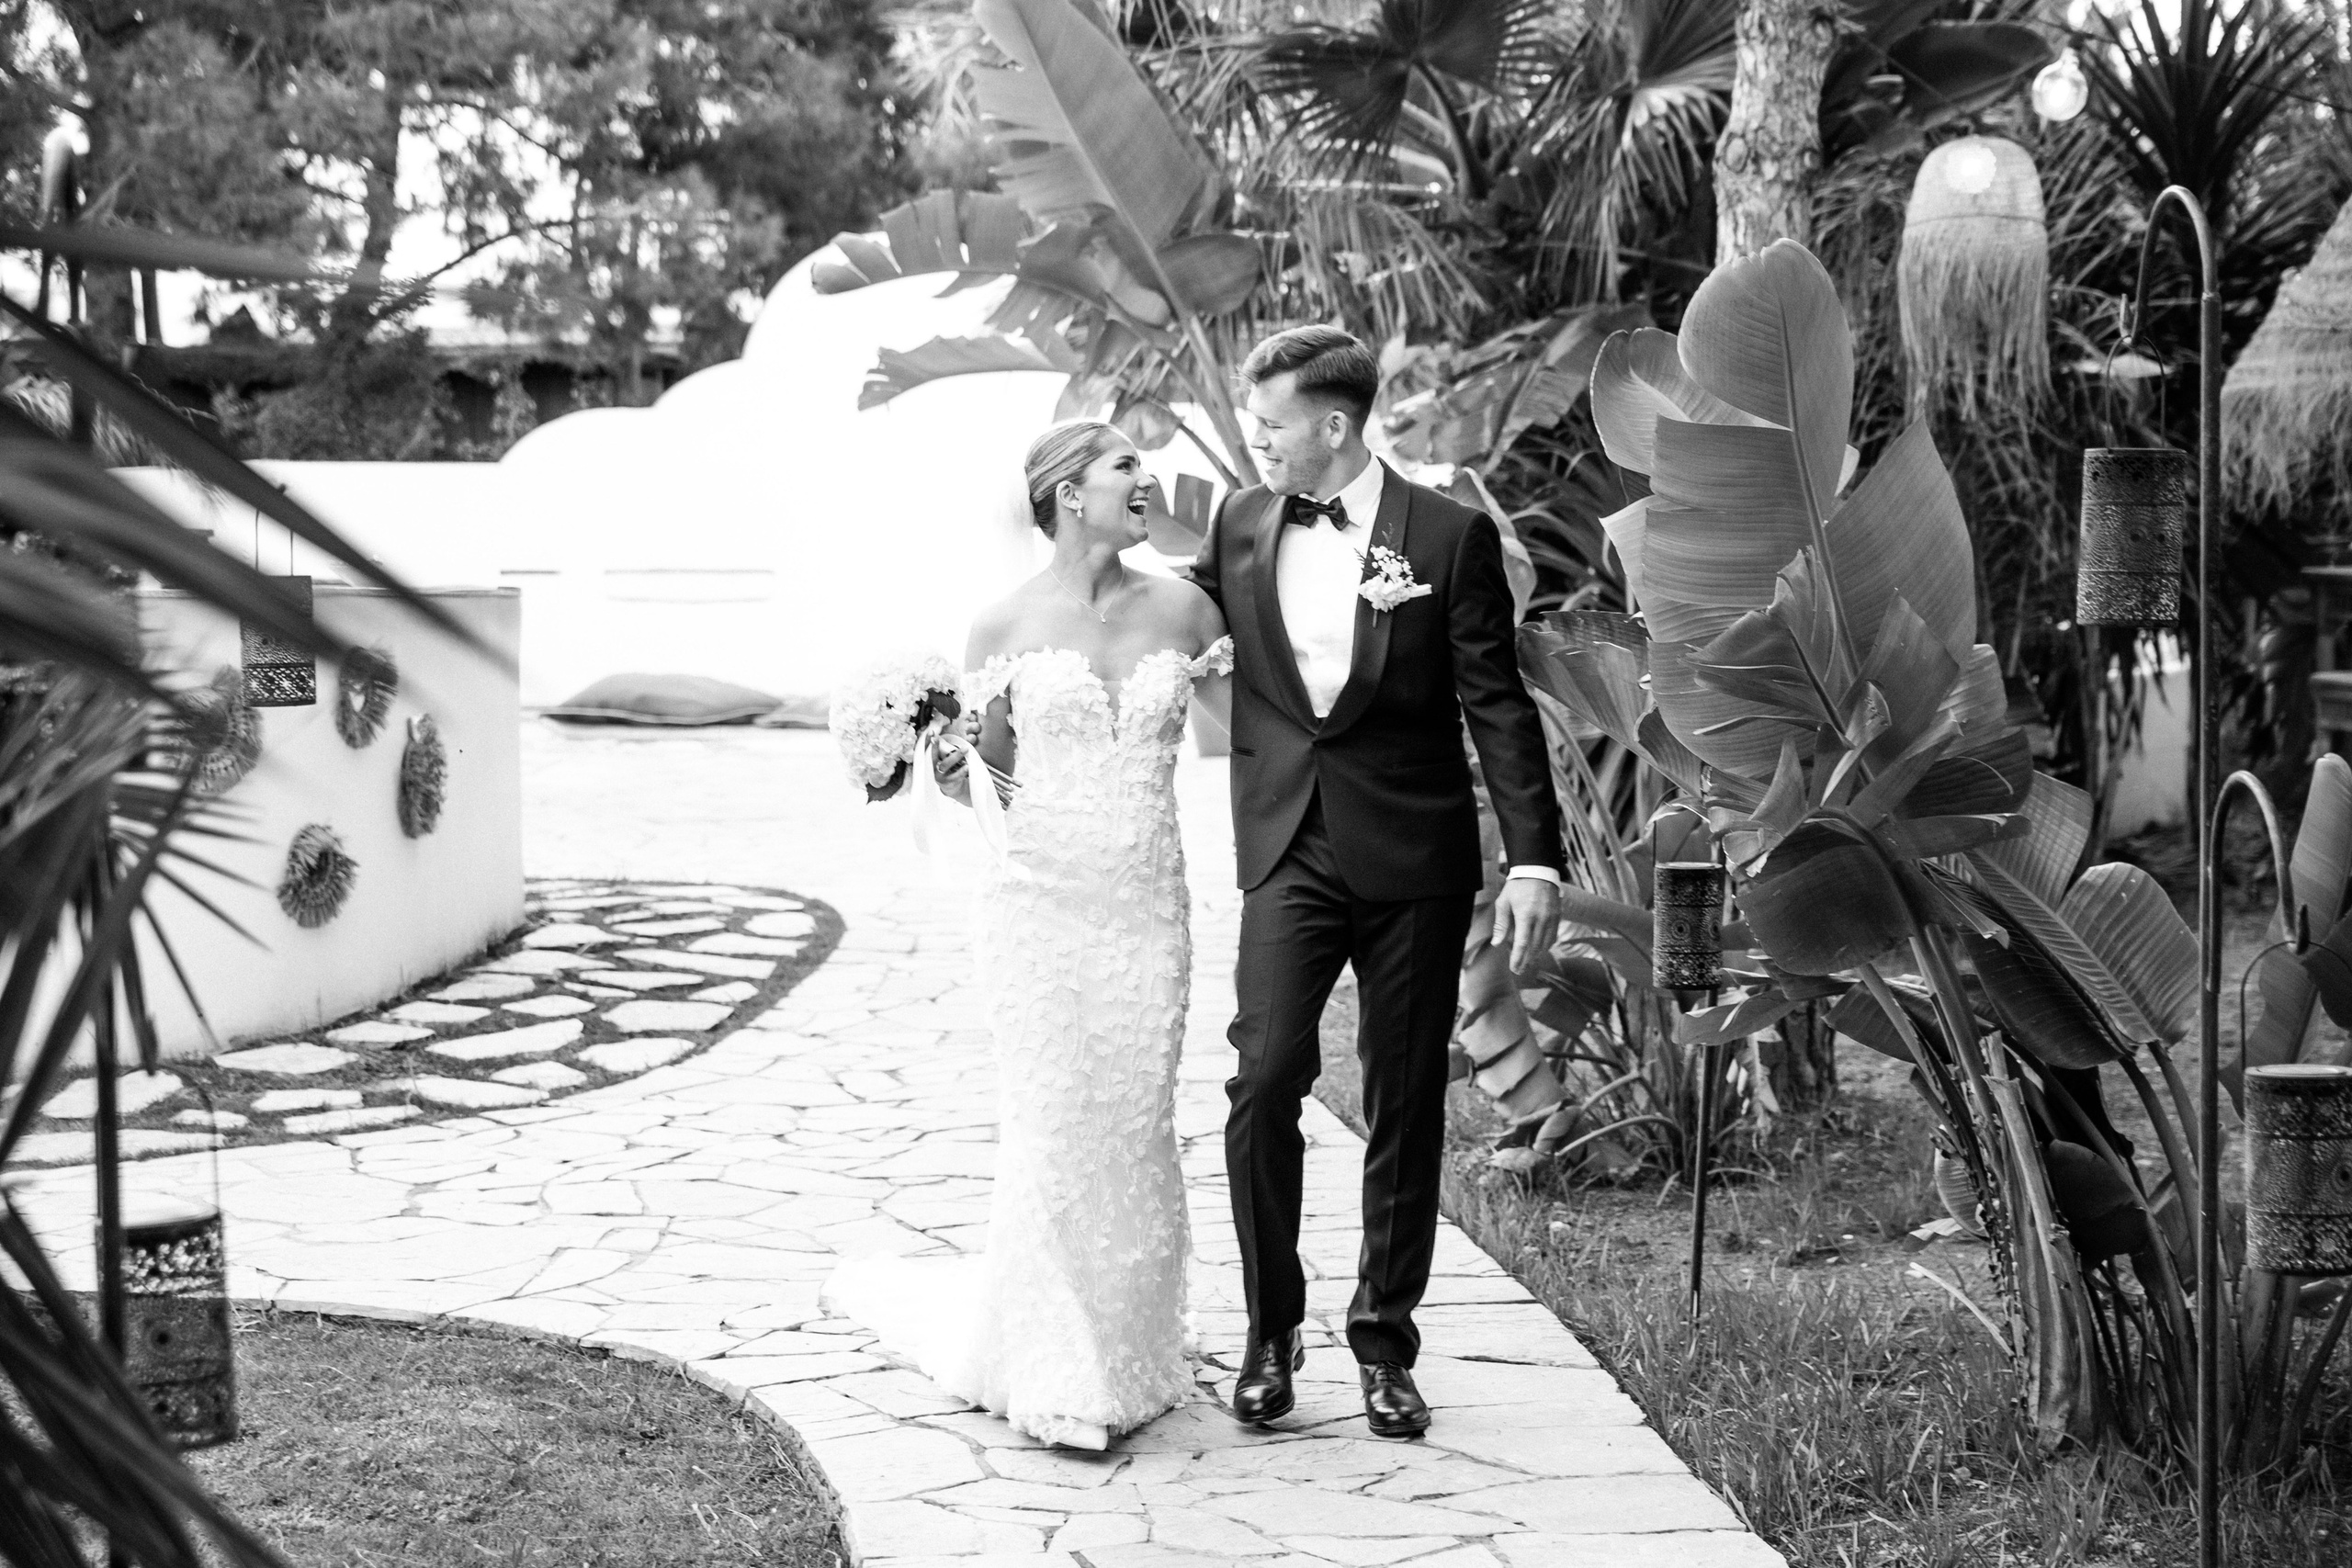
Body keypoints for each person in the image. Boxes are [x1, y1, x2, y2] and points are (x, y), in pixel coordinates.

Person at [823, 419, 1230, 1450]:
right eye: (1124, 466)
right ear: (1065, 494)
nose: (1145, 480)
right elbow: (993, 782)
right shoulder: (998, 625)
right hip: (1034, 904)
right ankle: (1061, 1369)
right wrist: (956, 780)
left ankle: (1133, 1348)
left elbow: (1252, 746)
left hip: (1145, 906)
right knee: (1052, 1122)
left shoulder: (1187, 609)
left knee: (1132, 1121)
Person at [1189, 325, 1564, 1438]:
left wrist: (1534, 854)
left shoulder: (1446, 539)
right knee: (1262, 1082)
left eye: (1270, 425)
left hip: (1413, 858)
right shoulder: (1240, 522)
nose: (1255, 442)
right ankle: (1271, 1331)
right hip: (1287, 849)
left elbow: (1495, 705)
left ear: (1334, 426)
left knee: (1403, 1099)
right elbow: (1165, 629)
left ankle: (1383, 1343)